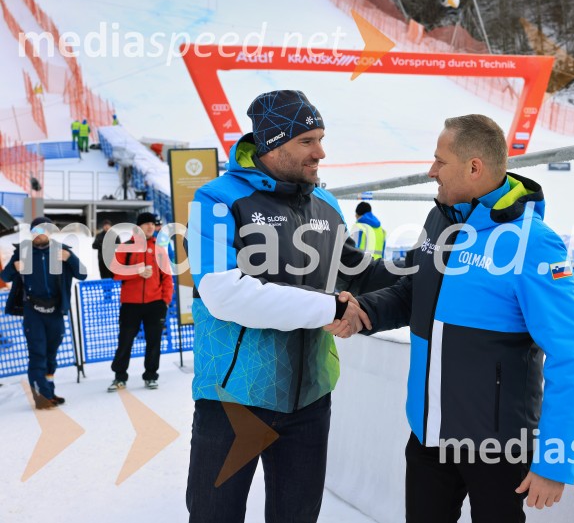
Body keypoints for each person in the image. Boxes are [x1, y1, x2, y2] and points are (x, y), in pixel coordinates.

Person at [350, 115, 574, 522]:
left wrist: (554, 463)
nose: (431, 172)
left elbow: (572, 354)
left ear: (474, 167)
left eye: (439, 162)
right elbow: (413, 290)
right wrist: (365, 312)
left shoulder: (532, 242)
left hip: (495, 448)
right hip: (429, 435)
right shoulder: (440, 219)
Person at [184, 89, 396, 523]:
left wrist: (432, 272)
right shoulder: (216, 199)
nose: (321, 152)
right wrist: (331, 309)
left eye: (321, 138)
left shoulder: (327, 203)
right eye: (307, 140)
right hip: (234, 399)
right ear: (272, 143)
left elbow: (357, 270)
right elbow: (223, 293)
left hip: (310, 397)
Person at [1, 216, 87, 408]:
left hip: (55, 311)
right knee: (37, 354)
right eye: (34, 231)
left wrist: (70, 258)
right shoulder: (24, 252)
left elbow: (82, 274)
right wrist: (14, 268)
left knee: (51, 355)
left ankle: (49, 392)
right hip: (33, 313)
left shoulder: (61, 251)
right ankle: (40, 397)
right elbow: (5, 276)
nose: (38, 235)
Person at [108, 212, 173, 392]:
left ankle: (151, 375)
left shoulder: (159, 248)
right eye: (146, 224)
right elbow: (115, 272)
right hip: (131, 304)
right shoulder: (126, 247)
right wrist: (138, 270)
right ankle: (120, 377)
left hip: (155, 304)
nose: (150, 227)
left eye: (152, 223)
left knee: (154, 342)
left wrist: (165, 301)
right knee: (125, 341)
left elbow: (167, 277)